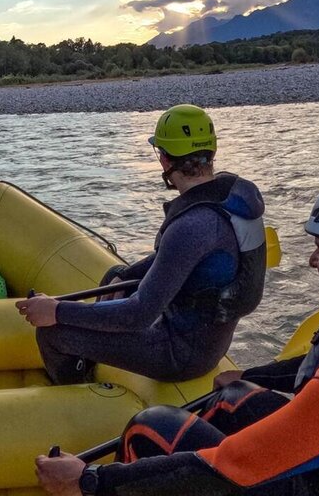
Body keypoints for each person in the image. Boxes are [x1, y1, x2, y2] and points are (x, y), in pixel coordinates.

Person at [34, 167, 319, 496]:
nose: (313, 261)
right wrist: (255, 376)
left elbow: (234, 466)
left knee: (150, 431)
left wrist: (88, 481)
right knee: (233, 395)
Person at [17, 104, 267, 383]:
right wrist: (125, 275)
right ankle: (94, 350)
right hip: (205, 338)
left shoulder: (191, 225)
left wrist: (56, 311)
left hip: (181, 356)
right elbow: (177, 263)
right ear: (212, 153)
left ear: (164, 160)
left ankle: (80, 393)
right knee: (116, 275)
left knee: (53, 332)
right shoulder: (223, 201)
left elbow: (139, 314)